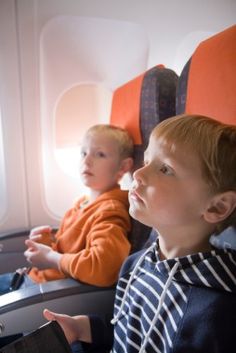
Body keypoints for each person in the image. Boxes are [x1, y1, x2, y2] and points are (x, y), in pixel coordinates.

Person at [43, 114, 236, 353]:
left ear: (217, 207)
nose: (138, 174)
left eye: (165, 169)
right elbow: (127, 331)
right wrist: (80, 327)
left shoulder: (215, 311)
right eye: (146, 161)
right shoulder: (138, 263)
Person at [0, 124, 134, 295]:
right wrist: (47, 245)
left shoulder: (110, 211)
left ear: (123, 167)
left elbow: (103, 268)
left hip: (42, 292)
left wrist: (50, 258)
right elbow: (69, 253)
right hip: (28, 278)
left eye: (100, 154)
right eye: (83, 153)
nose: (87, 161)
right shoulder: (82, 204)